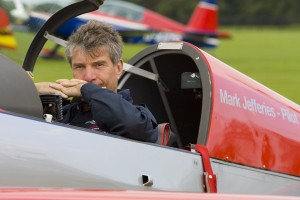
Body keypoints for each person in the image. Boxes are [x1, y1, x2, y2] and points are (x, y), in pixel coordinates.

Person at [35, 20, 158, 143]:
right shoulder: (61, 110)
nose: (88, 76)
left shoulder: (137, 116)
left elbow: (138, 129)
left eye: (99, 65)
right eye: (80, 66)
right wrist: (31, 91)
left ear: (118, 68)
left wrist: (86, 89)